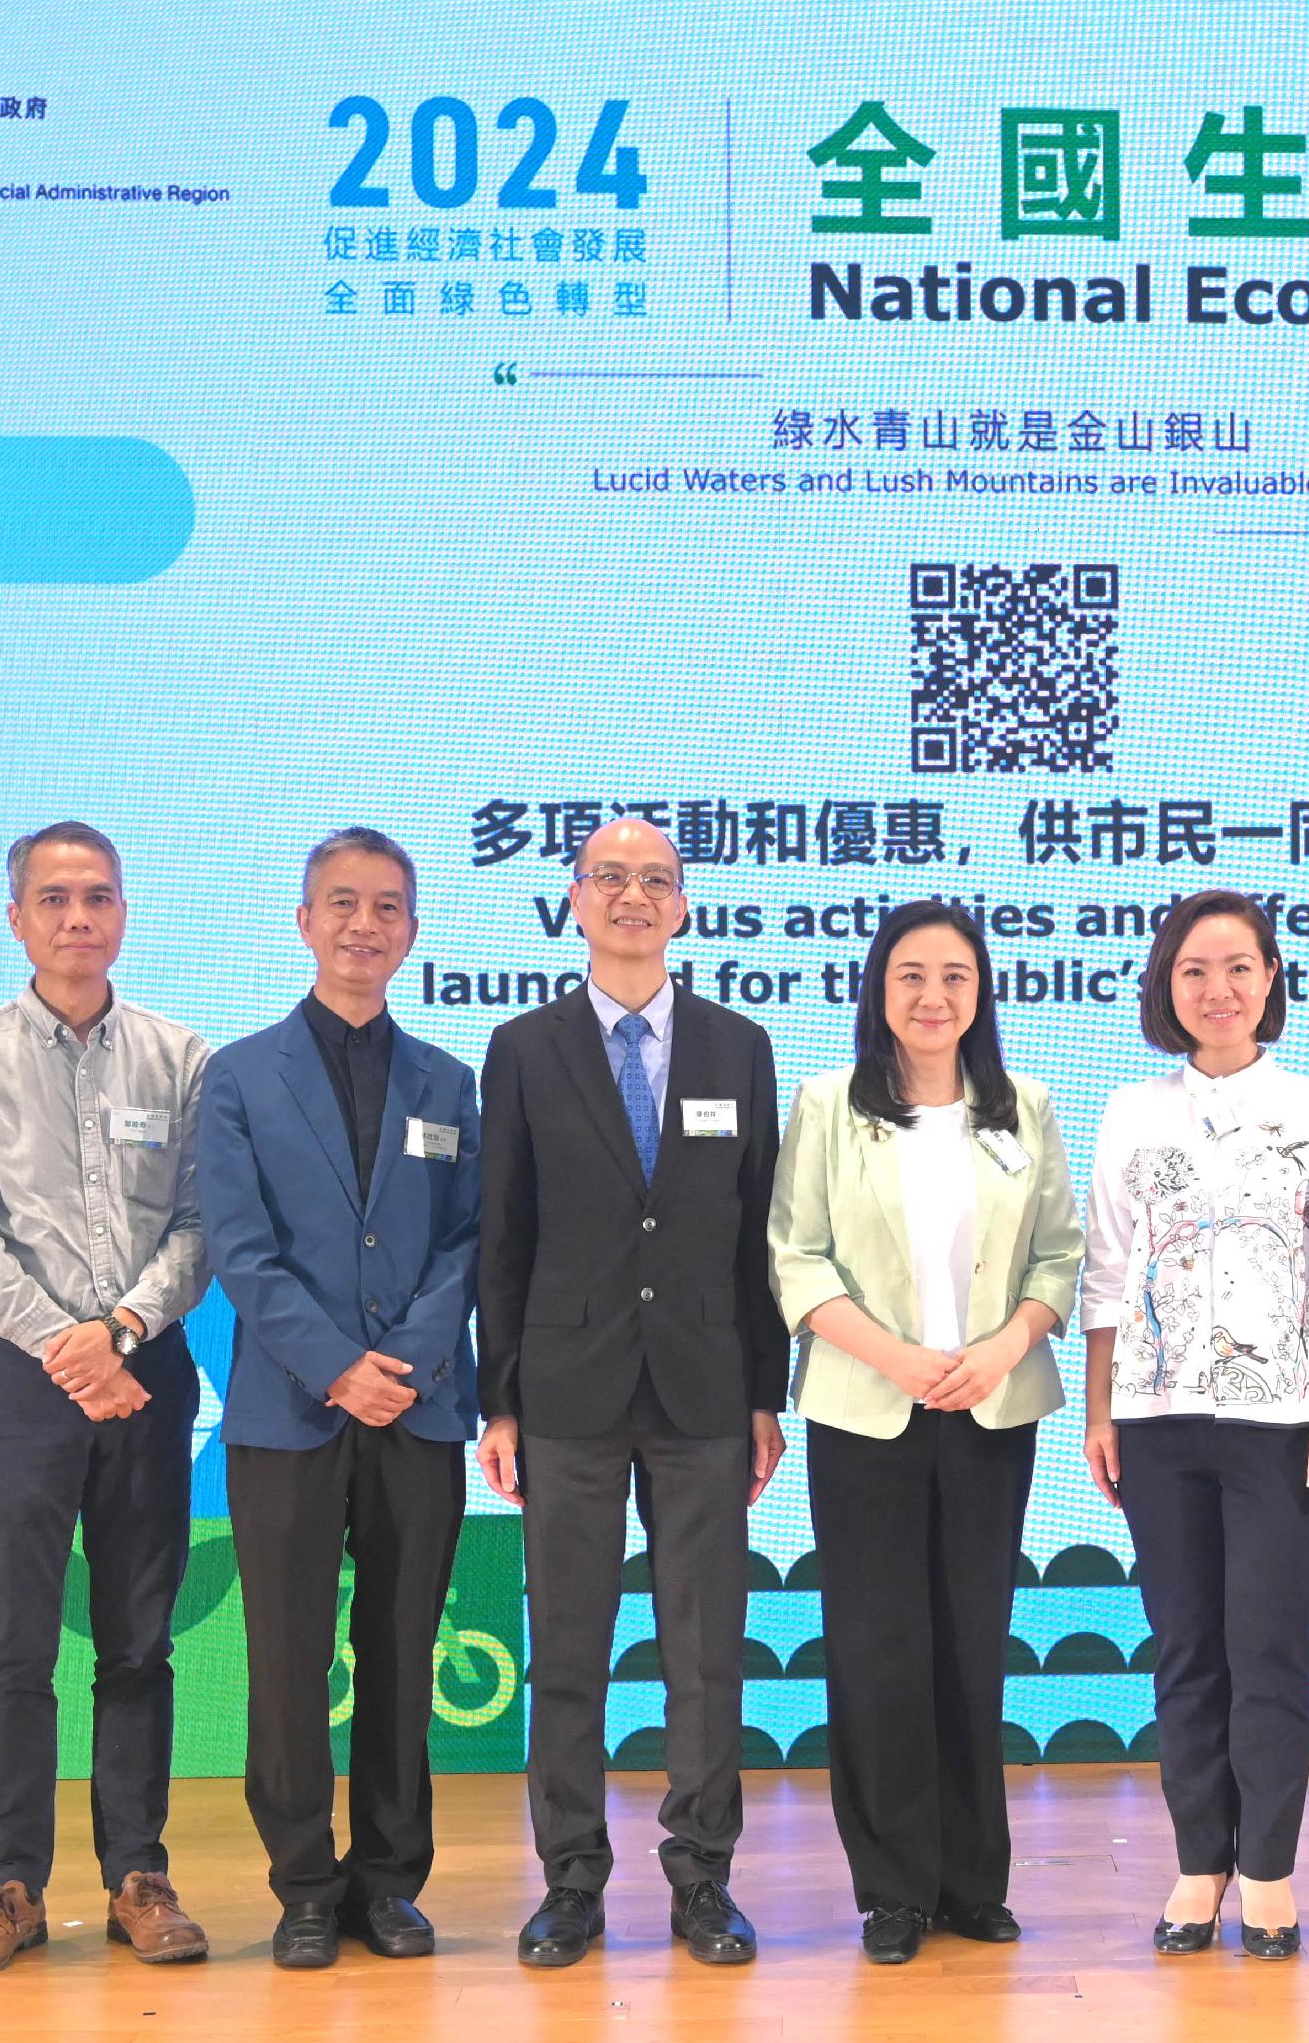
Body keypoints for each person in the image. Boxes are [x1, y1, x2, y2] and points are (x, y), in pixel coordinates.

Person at [475, 817, 789, 1969]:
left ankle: (703, 1879)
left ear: (686, 906)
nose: (632, 896)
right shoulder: (521, 1046)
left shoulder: (735, 1046)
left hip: (706, 1391)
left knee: (705, 1651)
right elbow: (501, 1236)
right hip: (564, 1390)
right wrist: (497, 1397)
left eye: (655, 880)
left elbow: (758, 1232)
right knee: (567, 1643)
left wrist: (767, 1392)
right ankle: (570, 1880)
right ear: (572, 898)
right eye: (609, 877)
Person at [0, 824, 214, 1977]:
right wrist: (66, 1344)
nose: (77, 917)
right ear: (18, 920)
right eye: (54, 898)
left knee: (139, 1642)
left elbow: (199, 1224)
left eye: (97, 896)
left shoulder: (182, 1057)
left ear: (123, 911)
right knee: (15, 1646)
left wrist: (123, 1330)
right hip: (19, 1382)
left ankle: (139, 1874)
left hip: (147, 1375)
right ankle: (9, 1886)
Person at [769, 900, 1086, 1965]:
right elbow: (796, 1258)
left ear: (981, 991)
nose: (933, 995)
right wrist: (896, 1358)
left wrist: (1002, 1348)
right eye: (910, 975)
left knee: (969, 1644)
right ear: (877, 988)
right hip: (867, 1409)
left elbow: (1058, 1260)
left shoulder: (1023, 1107)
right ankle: (893, 1888)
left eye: (954, 975)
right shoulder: (826, 1104)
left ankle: (971, 1882)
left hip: (990, 1406)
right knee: (877, 1650)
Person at [1080, 887, 1309, 1962]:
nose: (1218, 988)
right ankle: (1196, 1861)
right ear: (1168, 986)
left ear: (1271, 980)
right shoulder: (1131, 1109)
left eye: (1238, 967)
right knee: (1184, 1650)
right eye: (1194, 970)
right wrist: (1098, 1412)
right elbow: (1108, 1274)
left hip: (1284, 1423)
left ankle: (1268, 1869)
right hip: (1158, 1420)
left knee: (1266, 1645)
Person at [203, 828, 482, 1970]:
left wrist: (400, 1362)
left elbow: (469, 1240)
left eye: (387, 907)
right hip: (289, 1411)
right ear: (304, 920)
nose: (364, 925)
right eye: (342, 904)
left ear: (411, 930)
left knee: (403, 1649)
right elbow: (238, 1246)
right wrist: (333, 1365)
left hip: (416, 1413)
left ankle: (389, 1881)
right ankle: (305, 1884)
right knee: (286, 1656)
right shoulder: (239, 1073)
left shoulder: (450, 1081)